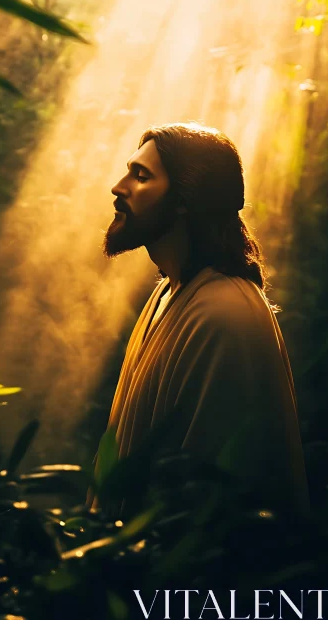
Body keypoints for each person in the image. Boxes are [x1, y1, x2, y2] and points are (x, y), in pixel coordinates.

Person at [95, 122, 309, 519]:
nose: (118, 187)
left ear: (184, 199)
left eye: (141, 176)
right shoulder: (169, 293)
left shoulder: (223, 316)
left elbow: (211, 502)